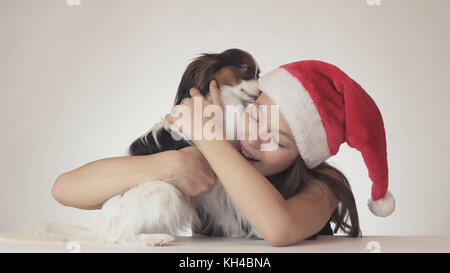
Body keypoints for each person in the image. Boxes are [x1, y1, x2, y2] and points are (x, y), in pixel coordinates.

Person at [52, 60, 395, 247]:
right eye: (257, 116)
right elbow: (65, 190)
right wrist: (169, 163)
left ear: (306, 156)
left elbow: (279, 229)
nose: (256, 138)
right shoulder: (218, 150)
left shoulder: (324, 184)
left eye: (278, 140)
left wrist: (210, 140)